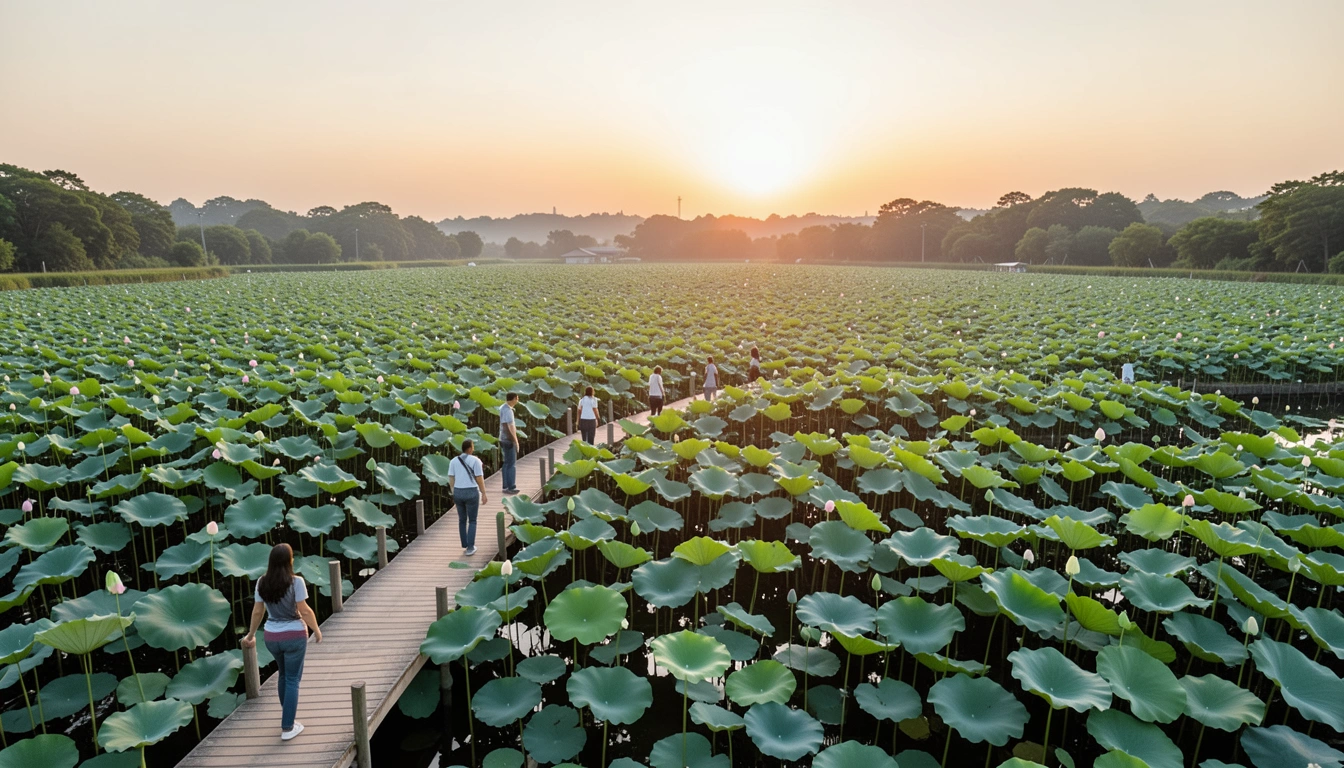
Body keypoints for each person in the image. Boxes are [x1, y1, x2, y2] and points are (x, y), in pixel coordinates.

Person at [243, 543, 321, 742]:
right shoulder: (296, 582)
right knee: (293, 679)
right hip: (294, 635)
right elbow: (304, 610)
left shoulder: (262, 582)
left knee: (283, 675)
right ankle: (287, 727)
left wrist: (251, 635)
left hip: (271, 637)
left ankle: (288, 716)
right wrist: (317, 630)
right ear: (289, 561)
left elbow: (258, 611)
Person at [448, 439, 487, 555]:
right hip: (471, 492)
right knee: (473, 520)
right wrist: (484, 493)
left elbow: (451, 478)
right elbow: (479, 478)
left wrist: (454, 492)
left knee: (462, 520)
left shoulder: (453, 461)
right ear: (470, 449)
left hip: (458, 492)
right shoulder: (476, 461)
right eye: (473, 447)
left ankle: (464, 543)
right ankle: (470, 547)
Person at [499, 392, 520, 495]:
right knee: (511, 464)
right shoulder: (508, 411)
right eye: (517, 398)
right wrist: (514, 440)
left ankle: (505, 486)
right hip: (508, 439)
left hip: (502, 438)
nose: (517, 400)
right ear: (514, 399)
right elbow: (508, 427)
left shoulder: (503, 407)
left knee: (506, 463)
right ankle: (511, 486)